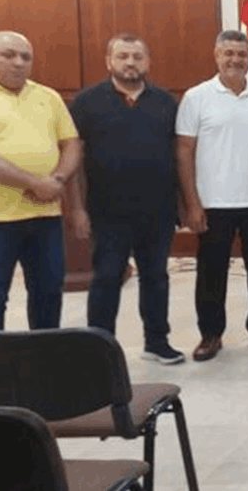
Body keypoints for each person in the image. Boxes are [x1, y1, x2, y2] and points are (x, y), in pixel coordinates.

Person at [68, 33, 183, 364]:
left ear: (148, 62)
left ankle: (157, 342)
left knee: (156, 277)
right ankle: (99, 348)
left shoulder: (165, 102)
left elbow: (178, 155)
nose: (130, 63)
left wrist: (182, 205)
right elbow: (74, 160)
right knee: (106, 278)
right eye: (122, 56)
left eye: (137, 56)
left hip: (157, 210)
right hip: (107, 211)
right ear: (109, 61)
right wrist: (77, 208)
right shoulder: (86, 102)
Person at [177, 30, 248, 361]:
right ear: (217, 55)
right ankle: (210, 335)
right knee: (211, 273)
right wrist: (192, 203)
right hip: (214, 203)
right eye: (229, 53)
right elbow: (184, 152)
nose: (235, 59)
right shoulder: (196, 97)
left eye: (241, 54)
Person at [0, 31, 80, 330]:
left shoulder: (48, 96)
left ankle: (43, 353)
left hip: (45, 216)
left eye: (25, 57)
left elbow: (71, 143)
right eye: (8, 55)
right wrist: (35, 183)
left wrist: (58, 179)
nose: (18, 62)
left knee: (49, 292)